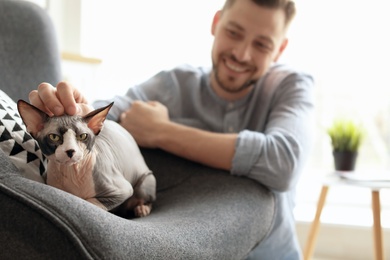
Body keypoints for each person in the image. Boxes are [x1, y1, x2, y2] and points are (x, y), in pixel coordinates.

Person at [30, 0, 314, 259]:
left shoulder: (290, 87)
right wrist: (71, 110)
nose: (242, 54)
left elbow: (284, 162)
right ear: (216, 23)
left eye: (262, 45)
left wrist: (161, 132)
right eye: (234, 33)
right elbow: (101, 114)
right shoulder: (173, 84)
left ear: (280, 49)